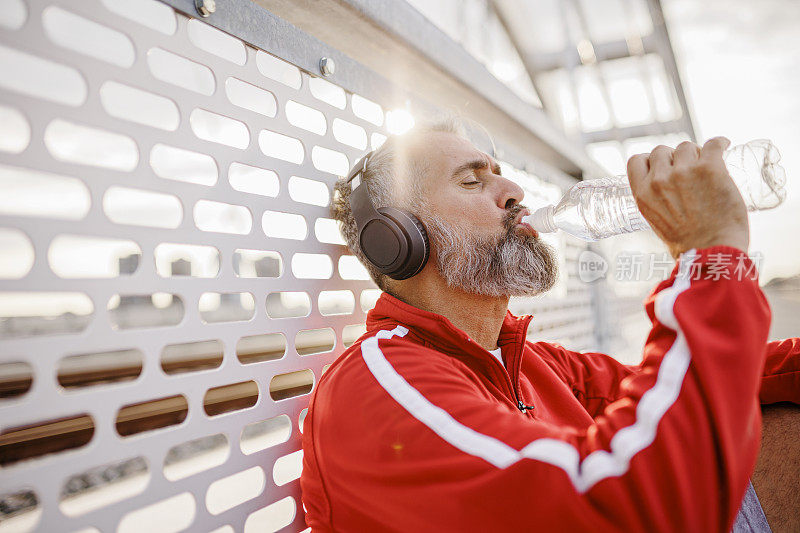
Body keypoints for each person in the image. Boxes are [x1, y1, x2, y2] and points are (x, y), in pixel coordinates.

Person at [300, 118, 799, 532]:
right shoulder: (377, 388)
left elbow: (724, 382)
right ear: (397, 238)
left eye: (501, 174)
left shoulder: (533, 362)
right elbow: (632, 513)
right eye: (472, 181)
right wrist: (711, 250)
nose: (514, 190)